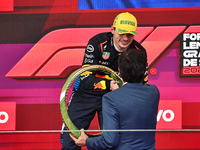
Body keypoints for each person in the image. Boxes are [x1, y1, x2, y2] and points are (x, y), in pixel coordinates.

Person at [60, 12, 148, 150]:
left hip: (114, 98)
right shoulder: (97, 43)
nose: (125, 38)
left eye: (130, 34)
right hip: (85, 95)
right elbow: (85, 79)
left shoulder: (138, 52)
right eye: (122, 33)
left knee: (110, 143)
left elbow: (141, 85)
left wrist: (122, 92)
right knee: (70, 142)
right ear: (113, 29)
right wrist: (110, 84)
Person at [70, 48, 160, 150]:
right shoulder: (154, 92)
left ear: (119, 71)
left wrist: (87, 141)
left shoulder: (111, 98)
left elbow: (110, 141)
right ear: (144, 70)